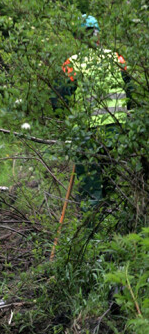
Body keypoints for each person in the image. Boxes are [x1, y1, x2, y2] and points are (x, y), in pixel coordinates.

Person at [52, 15, 133, 208]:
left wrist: (66, 125)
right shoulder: (117, 58)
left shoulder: (72, 64)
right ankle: (109, 227)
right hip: (117, 132)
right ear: (98, 35)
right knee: (110, 182)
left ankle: (91, 231)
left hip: (87, 133)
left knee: (90, 185)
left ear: (78, 37)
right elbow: (130, 92)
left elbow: (59, 100)